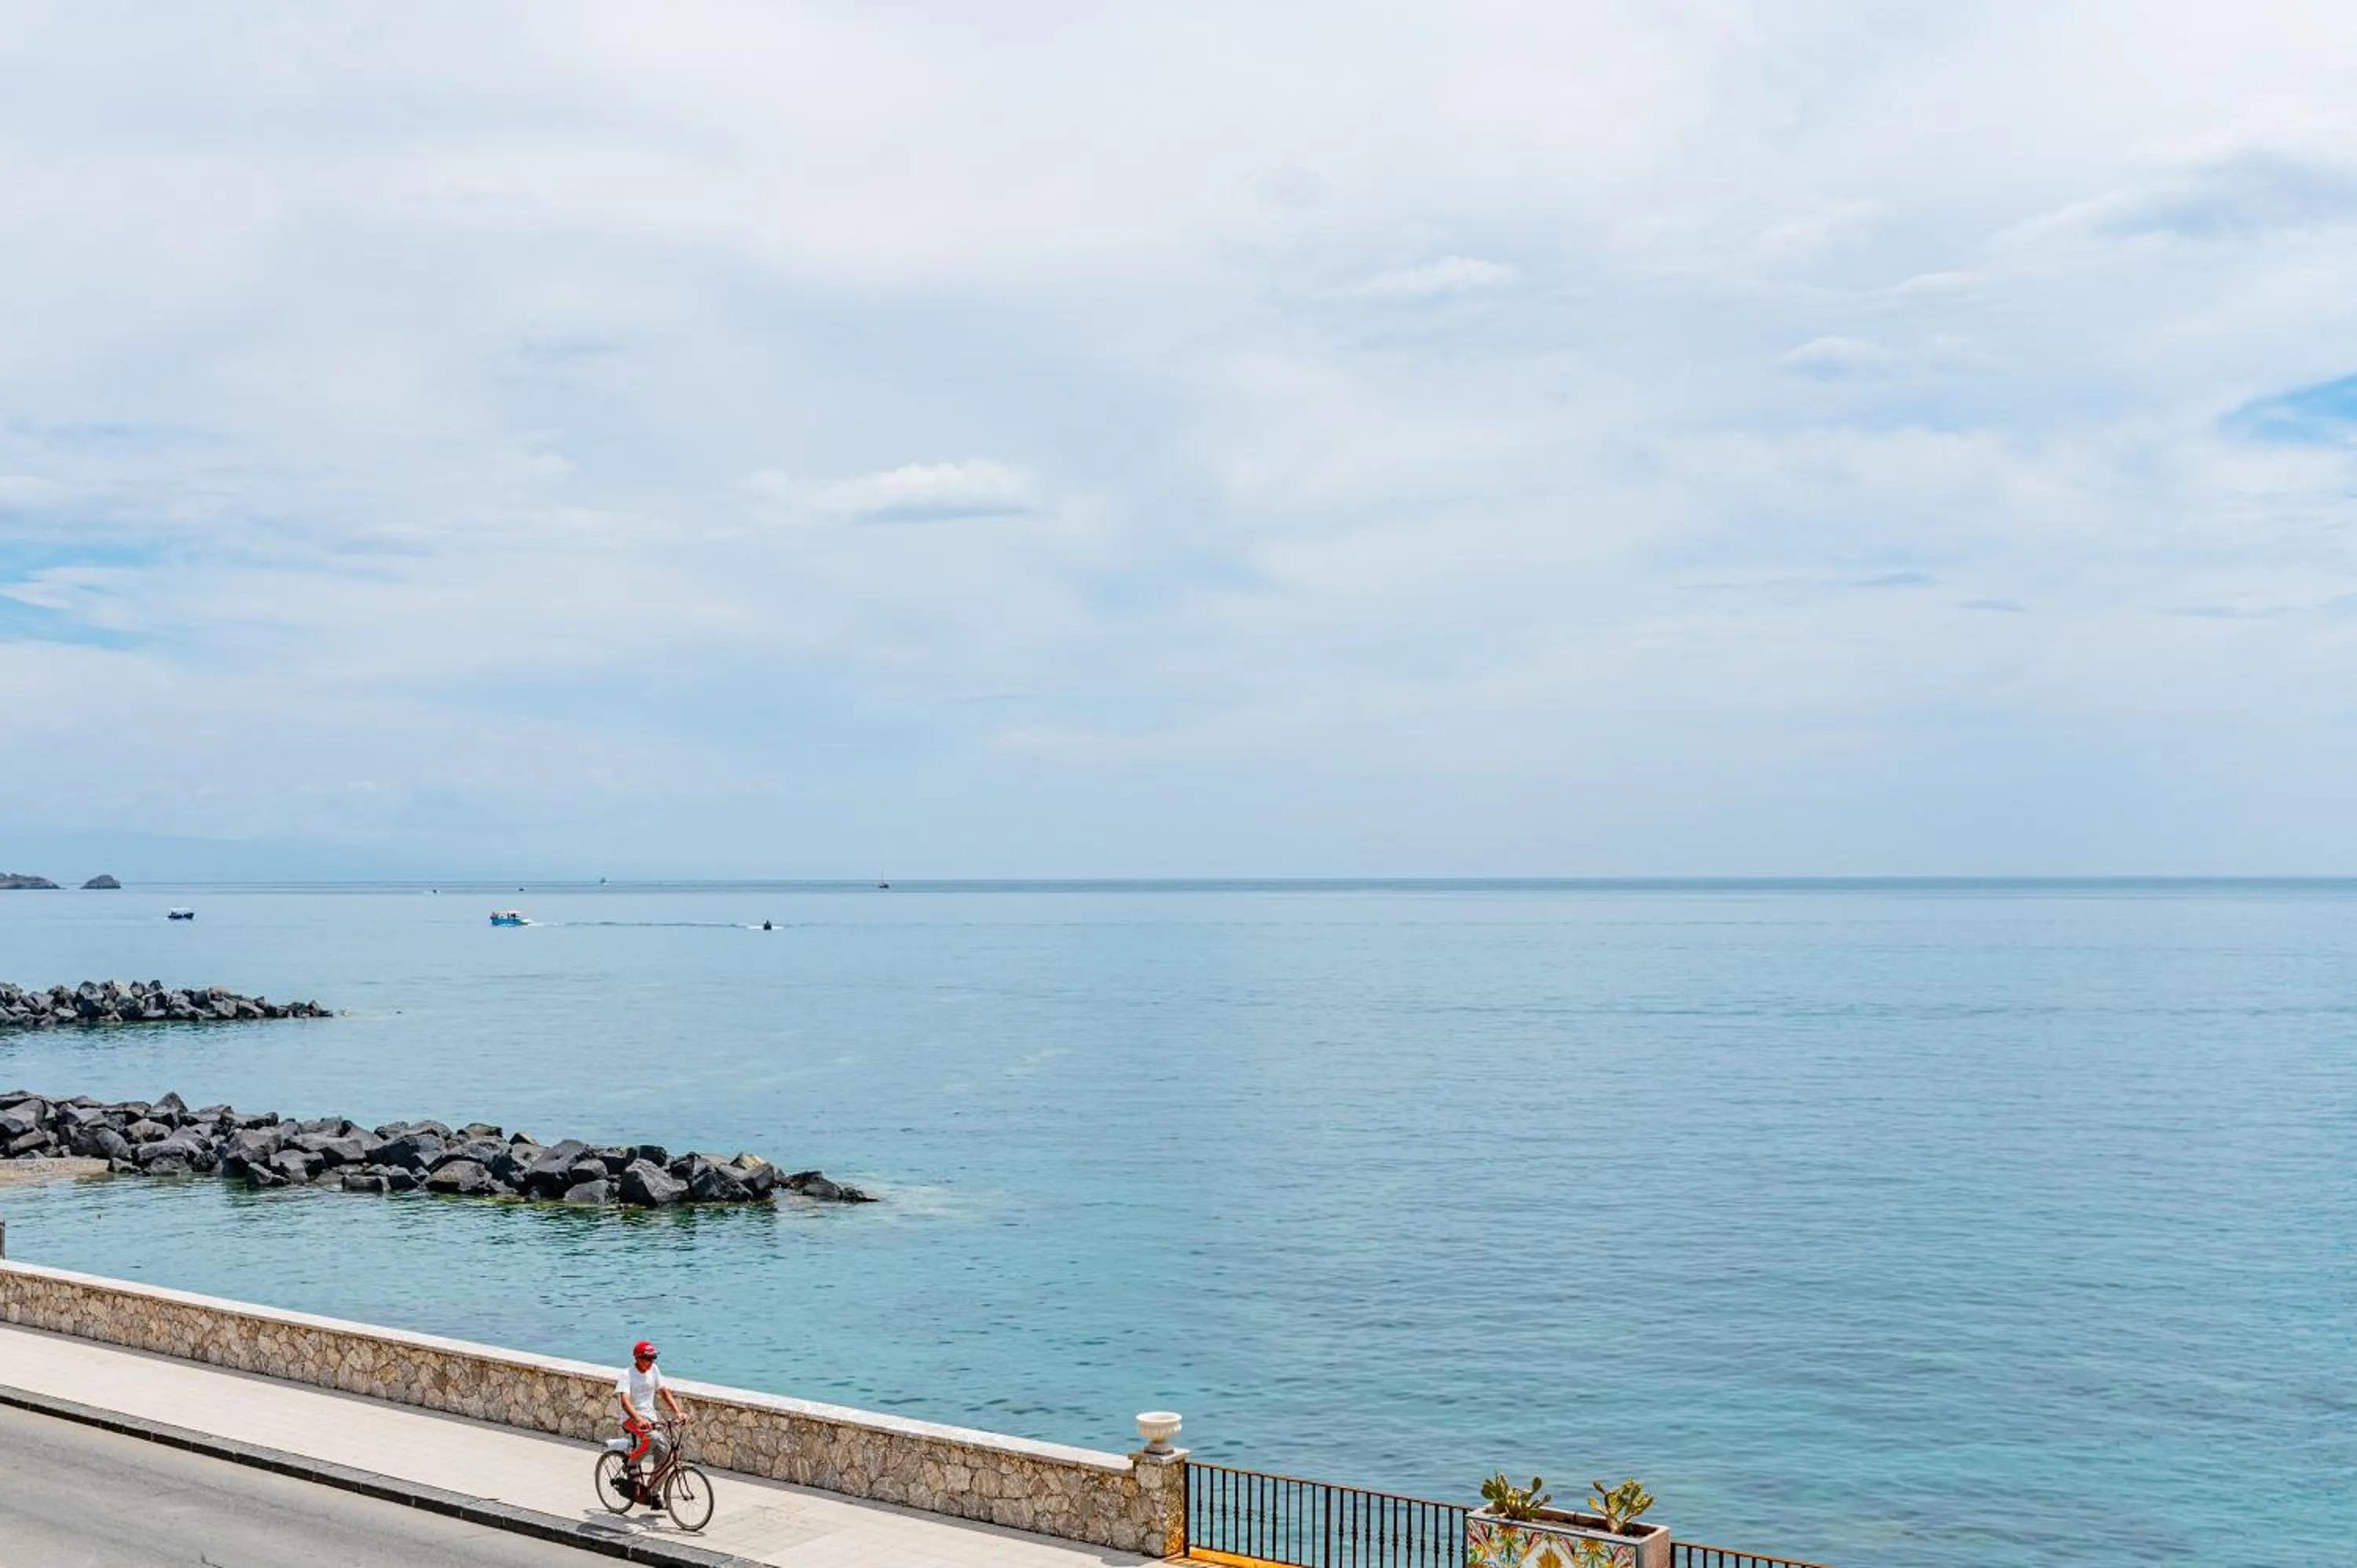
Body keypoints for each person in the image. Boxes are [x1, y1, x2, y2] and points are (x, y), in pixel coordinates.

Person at [614, 1339, 688, 1508]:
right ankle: (631, 1463)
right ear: (638, 1358)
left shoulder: (653, 1370)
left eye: (653, 1358)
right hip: (630, 1419)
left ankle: (653, 1493)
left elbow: (664, 1392)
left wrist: (678, 1412)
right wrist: (639, 1420)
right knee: (652, 1438)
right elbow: (625, 1402)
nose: (651, 1362)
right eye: (648, 1358)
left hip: (650, 1419)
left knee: (665, 1451)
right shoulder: (627, 1375)